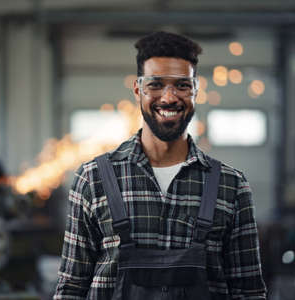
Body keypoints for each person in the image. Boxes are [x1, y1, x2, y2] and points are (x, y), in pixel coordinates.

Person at [54, 31, 266, 300]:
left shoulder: (231, 185)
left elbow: (249, 292)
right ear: (137, 89)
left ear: (196, 90)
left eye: (182, 85)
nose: (168, 98)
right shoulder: (93, 179)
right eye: (155, 85)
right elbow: (71, 289)